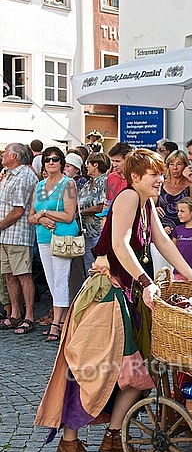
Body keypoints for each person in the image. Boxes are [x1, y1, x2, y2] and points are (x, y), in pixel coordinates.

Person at [35, 148, 192, 452]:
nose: (161, 178)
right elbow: (118, 244)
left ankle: (114, 435)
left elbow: (163, 241)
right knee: (94, 368)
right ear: (136, 177)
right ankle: (69, 441)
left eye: (161, 173)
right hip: (106, 296)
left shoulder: (147, 203)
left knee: (136, 371)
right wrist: (146, 282)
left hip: (126, 297)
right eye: (155, 174)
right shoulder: (128, 197)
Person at [28, 147, 78, 342]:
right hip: (43, 238)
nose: (51, 162)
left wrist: (44, 213)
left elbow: (69, 215)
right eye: (47, 159)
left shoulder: (69, 184)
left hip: (63, 237)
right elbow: (30, 216)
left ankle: (56, 324)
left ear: (61, 163)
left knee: (60, 280)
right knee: (51, 281)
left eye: (55, 159)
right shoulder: (39, 185)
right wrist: (40, 218)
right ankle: (62, 320)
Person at [0, 143, 38, 334]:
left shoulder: (24, 176)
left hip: (18, 233)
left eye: (5, 152)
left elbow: (18, 210)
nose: (2, 155)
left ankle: (29, 316)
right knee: (9, 275)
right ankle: (14, 314)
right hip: (6, 233)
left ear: (14, 156)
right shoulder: (9, 174)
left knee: (23, 275)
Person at [78, 152, 110, 274]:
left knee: (100, 266)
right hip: (86, 231)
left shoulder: (105, 181)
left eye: (88, 164)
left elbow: (101, 206)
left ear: (96, 165)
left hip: (98, 231)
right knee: (89, 267)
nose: (86, 166)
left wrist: (80, 213)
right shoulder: (87, 184)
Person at [157, 150, 192, 235]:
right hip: (162, 231)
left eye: (179, 164)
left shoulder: (191, 185)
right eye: (171, 164)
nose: (175, 168)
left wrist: (190, 182)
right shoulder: (160, 184)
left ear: (185, 166)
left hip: (184, 232)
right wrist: (155, 209)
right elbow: (151, 205)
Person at [172, 197, 192, 279]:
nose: (179, 214)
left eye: (182, 211)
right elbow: (172, 250)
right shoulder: (177, 229)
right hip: (179, 272)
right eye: (178, 211)